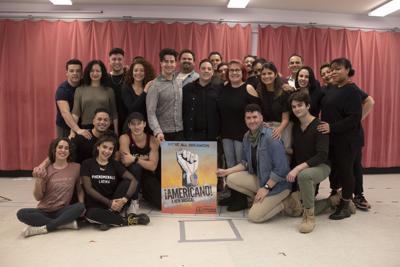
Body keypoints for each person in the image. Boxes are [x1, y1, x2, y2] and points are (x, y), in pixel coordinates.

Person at [217, 104, 291, 220]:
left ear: (261, 118)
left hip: (278, 185)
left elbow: (282, 169)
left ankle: (286, 203)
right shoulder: (247, 136)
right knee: (231, 179)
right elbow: (245, 163)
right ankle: (260, 198)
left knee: (254, 217)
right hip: (261, 179)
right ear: (245, 119)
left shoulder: (271, 136)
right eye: (249, 118)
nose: (252, 121)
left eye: (255, 117)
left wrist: (266, 188)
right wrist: (226, 171)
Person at [319, 63, 375, 210]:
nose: (329, 74)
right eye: (326, 72)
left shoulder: (352, 89)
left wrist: (357, 120)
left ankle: (355, 196)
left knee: (352, 168)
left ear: (347, 71)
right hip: (334, 137)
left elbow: (369, 102)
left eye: (334, 70)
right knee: (339, 167)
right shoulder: (328, 89)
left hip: (350, 137)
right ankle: (338, 194)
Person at [17, 138, 85, 237]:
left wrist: (81, 204)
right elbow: (38, 197)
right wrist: (38, 181)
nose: (63, 150)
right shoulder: (46, 170)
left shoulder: (76, 167)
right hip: (44, 211)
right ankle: (62, 225)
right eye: (60, 147)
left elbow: (79, 190)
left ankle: (45, 227)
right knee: (21, 213)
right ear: (54, 150)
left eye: (66, 148)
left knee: (80, 206)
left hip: (62, 211)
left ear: (69, 151)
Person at [81, 135, 150, 230]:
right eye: (104, 147)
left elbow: (133, 180)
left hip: (114, 204)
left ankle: (109, 219)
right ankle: (127, 220)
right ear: (98, 147)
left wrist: (125, 199)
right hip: (96, 205)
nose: (107, 151)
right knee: (89, 215)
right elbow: (88, 189)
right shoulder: (87, 163)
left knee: (127, 182)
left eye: (110, 149)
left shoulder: (114, 164)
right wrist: (108, 202)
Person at [287, 92, 331, 233]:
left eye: (300, 105)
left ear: (308, 106)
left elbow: (322, 155)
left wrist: (298, 169)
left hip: (321, 166)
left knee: (304, 176)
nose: (297, 109)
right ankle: (334, 201)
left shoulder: (319, 126)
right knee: (296, 207)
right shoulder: (295, 127)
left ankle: (309, 218)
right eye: (294, 106)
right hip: (304, 169)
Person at [218, 60, 259, 168]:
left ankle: (239, 185)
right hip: (226, 134)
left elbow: (259, 111)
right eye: (231, 70)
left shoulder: (248, 88)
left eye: (237, 70)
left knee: (241, 165)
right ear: (228, 73)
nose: (234, 73)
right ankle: (230, 185)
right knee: (230, 164)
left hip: (243, 134)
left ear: (243, 73)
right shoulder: (224, 88)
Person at [119, 112, 161, 209]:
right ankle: (134, 200)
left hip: (147, 175)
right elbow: (125, 161)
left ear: (144, 124)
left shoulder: (152, 140)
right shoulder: (124, 138)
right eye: (133, 124)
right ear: (129, 125)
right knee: (135, 167)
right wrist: (146, 159)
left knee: (161, 203)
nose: (136, 127)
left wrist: (134, 158)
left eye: (139, 123)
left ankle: (145, 194)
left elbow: (153, 166)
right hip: (131, 175)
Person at [72, 60, 119, 136]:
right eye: (92, 71)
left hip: (105, 128)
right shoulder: (80, 90)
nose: (95, 73)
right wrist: (73, 131)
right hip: (86, 129)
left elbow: (114, 113)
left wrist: (116, 132)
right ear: (88, 72)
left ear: (102, 73)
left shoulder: (109, 91)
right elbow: (76, 113)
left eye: (98, 71)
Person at [146, 48, 184, 142]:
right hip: (163, 134)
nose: (169, 64)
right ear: (161, 63)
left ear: (176, 63)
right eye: (166, 61)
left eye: (172, 61)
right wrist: (158, 131)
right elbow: (151, 112)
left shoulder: (179, 82)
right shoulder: (154, 85)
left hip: (180, 131)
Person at [256, 62, 291, 153]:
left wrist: (278, 130)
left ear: (275, 75)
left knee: (283, 157)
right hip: (265, 127)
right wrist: (262, 123)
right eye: (263, 74)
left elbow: (286, 119)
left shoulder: (284, 92)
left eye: (269, 73)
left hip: (282, 128)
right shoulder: (258, 92)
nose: (266, 76)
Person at [182, 59, 220, 141]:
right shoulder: (187, 88)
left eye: (209, 69)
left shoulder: (218, 90)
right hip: (191, 135)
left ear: (212, 72)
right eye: (203, 68)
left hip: (211, 137)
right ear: (199, 71)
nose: (206, 71)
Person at [55, 59, 90, 139]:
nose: (75, 73)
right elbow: (65, 113)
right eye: (71, 71)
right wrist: (77, 130)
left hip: (83, 125)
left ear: (82, 73)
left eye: (78, 71)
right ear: (67, 73)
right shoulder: (62, 90)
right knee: (66, 150)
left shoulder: (86, 84)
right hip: (65, 126)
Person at [121, 58, 155, 125]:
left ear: (146, 73)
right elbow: (132, 109)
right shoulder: (126, 88)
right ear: (132, 72)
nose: (138, 73)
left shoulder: (151, 87)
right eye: (135, 70)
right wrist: (145, 91)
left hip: (147, 125)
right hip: (131, 125)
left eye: (142, 70)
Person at [108, 48, 128, 135]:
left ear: (123, 60)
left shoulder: (130, 77)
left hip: (127, 119)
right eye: (114, 59)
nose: (117, 62)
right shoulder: (105, 78)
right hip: (110, 121)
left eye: (119, 59)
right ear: (109, 61)